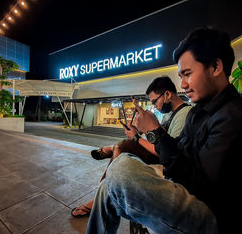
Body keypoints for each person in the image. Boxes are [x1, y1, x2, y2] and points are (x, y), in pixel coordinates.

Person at [81, 27, 242, 234]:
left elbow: (200, 184)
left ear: (216, 66)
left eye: (187, 74)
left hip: (224, 223)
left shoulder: (237, 117)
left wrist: (155, 132)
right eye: (181, 76)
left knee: (120, 172)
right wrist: (151, 134)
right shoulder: (201, 111)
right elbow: (180, 154)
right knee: (120, 168)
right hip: (196, 197)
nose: (183, 84)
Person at [71, 76, 192, 217]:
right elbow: (160, 140)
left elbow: (167, 153)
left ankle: (99, 196)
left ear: (167, 94)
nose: (155, 105)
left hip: (167, 166)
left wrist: (136, 137)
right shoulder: (169, 115)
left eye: (155, 101)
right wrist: (143, 129)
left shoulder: (184, 114)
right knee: (123, 146)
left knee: (124, 146)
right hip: (159, 157)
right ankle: (112, 153)